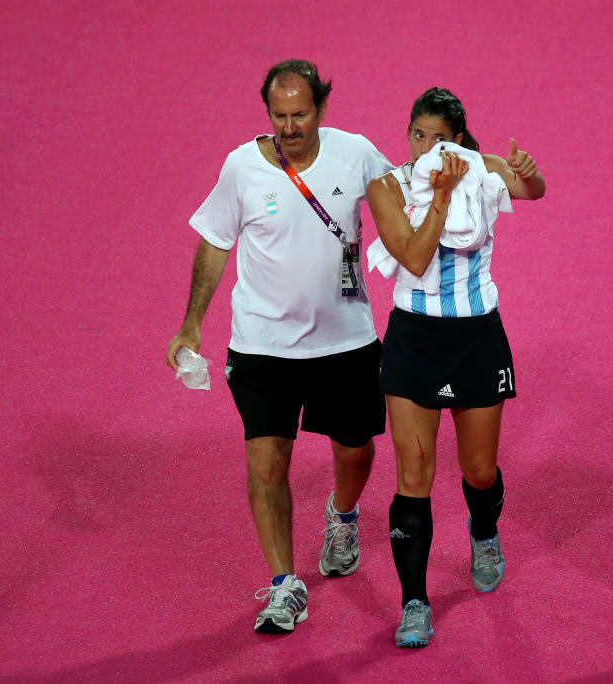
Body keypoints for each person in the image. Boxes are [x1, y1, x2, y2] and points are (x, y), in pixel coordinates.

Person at [166, 59, 393, 634]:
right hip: (263, 346)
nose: (290, 128)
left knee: (357, 450)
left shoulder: (355, 153)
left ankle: (342, 513)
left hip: (345, 341)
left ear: (321, 109)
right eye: (280, 116)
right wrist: (192, 323)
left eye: (300, 115)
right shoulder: (242, 168)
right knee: (267, 462)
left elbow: (409, 192)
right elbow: (216, 243)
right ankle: (283, 584)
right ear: (268, 113)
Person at [365, 87, 545, 648]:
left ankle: (484, 528)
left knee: (479, 471)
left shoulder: (483, 170)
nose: (426, 147)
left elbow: (532, 190)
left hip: (476, 338)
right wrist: (438, 198)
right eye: (418, 135)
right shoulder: (388, 186)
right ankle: (414, 601)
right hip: (414, 340)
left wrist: (528, 172)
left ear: (460, 139)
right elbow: (413, 257)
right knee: (412, 477)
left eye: (439, 138)